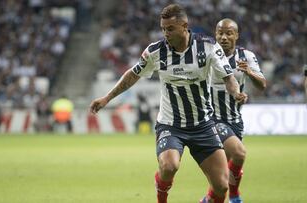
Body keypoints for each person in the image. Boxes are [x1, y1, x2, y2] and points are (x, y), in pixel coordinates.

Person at [89, 4, 247, 203]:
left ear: (184, 26)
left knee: (221, 186)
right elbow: (132, 75)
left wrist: (236, 93)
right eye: (163, 29)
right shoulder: (155, 51)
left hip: (203, 126)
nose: (165, 33)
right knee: (169, 166)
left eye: (170, 29)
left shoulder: (208, 47)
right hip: (171, 125)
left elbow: (228, 77)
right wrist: (106, 98)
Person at [212, 18, 267, 203]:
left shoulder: (246, 56)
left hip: (234, 119)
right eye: (220, 33)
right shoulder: (207, 56)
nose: (224, 37)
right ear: (215, 35)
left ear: (237, 35)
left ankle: (208, 199)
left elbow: (262, 85)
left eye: (229, 33)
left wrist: (250, 73)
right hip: (212, 119)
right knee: (239, 153)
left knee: (221, 175)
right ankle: (235, 196)